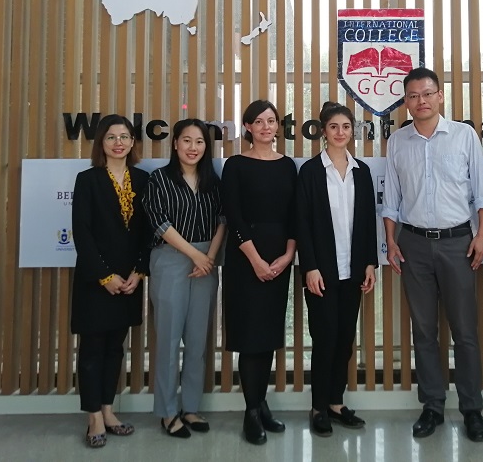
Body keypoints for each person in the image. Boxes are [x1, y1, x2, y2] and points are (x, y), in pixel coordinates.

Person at [382, 67, 483, 443]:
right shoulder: (398, 142)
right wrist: (391, 241)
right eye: (413, 96)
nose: (421, 101)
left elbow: (482, 192)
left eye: (427, 93)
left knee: (465, 331)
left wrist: (481, 236)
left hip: (458, 242)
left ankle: (472, 409)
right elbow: (392, 198)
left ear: (440, 96)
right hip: (413, 244)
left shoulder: (464, 135)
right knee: (424, 330)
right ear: (406, 101)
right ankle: (432, 405)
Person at [295, 102, 378, 437]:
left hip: (353, 270)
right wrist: (310, 267)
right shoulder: (311, 172)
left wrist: (370, 262)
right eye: (334, 127)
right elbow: (302, 224)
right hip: (323, 272)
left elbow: (368, 221)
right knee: (325, 338)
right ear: (323, 132)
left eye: (346, 126)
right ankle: (318, 406)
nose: (340, 132)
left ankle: (336, 402)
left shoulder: (362, 171)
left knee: (345, 339)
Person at [71, 114, 150, 449]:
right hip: (95, 280)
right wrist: (104, 275)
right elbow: (82, 232)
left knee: (115, 348)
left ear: (132, 142)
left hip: (130, 280)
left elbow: (148, 231)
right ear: (101, 143)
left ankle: (108, 409)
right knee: (92, 349)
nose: (119, 143)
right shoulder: (87, 179)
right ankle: (93, 417)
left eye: (125, 137)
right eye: (111, 137)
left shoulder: (143, 179)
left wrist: (139, 271)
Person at [143, 119, 225, 439]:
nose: (193, 147)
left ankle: (190, 407)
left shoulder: (213, 181)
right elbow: (159, 222)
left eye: (199, 142)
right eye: (187, 140)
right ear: (175, 143)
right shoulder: (159, 179)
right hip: (171, 260)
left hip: (207, 263)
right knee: (168, 340)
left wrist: (209, 258)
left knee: (197, 340)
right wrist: (195, 255)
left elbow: (222, 220)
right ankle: (167, 411)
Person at [222, 100, 297, 445]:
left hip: (279, 257)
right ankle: (251, 412)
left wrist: (288, 255)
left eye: (271, 120)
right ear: (248, 127)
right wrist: (254, 259)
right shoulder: (235, 165)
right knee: (250, 336)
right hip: (245, 258)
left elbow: (295, 215)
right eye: (259, 121)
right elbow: (233, 215)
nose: (266, 126)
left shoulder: (288, 166)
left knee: (267, 334)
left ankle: (261, 404)